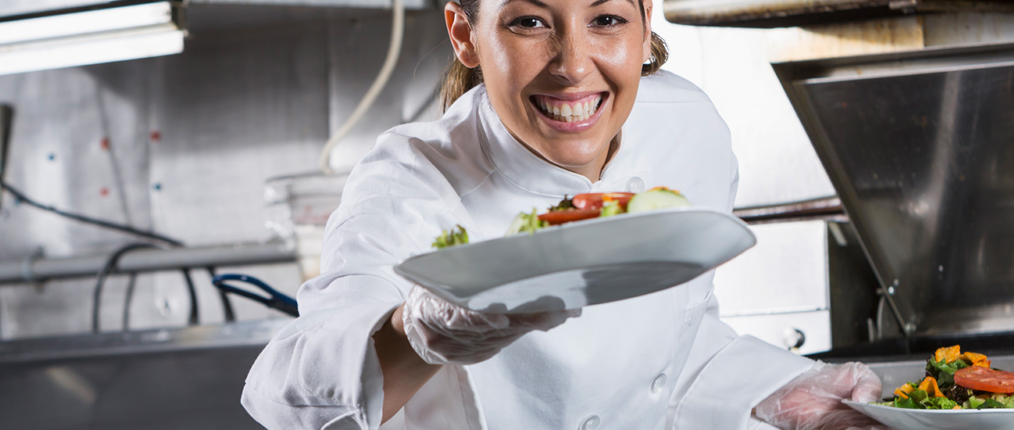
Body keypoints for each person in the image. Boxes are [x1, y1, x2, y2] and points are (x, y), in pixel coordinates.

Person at [242, 0, 886, 428]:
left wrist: (770, 391)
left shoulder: (687, 129)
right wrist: (416, 331)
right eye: (529, 22)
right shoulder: (408, 187)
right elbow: (279, 394)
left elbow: (670, 338)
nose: (574, 65)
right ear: (465, 33)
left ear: (645, 18)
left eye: (605, 18)